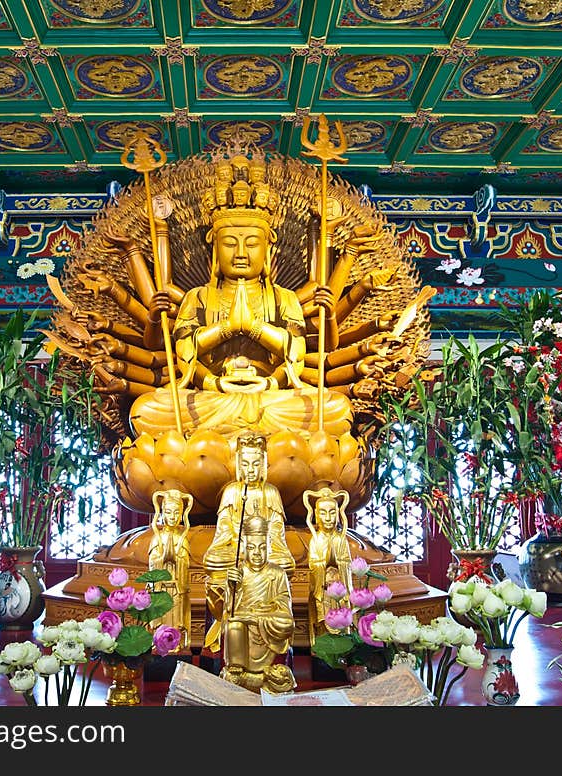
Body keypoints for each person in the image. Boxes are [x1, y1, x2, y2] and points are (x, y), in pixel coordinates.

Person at [128, 151, 353, 439]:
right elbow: (184, 355)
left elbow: (296, 356)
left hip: (272, 398)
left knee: (335, 408)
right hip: (212, 397)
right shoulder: (197, 297)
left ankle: (208, 444)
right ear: (214, 248)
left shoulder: (284, 298)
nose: (241, 253)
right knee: (147, 409)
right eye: (230, 243)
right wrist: (226, 335)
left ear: (267, 249)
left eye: (252, 243)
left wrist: (255, 332)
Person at [203, 431, 295, 652]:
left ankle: (257, 616)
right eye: (245, 464)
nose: (251, 470)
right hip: (236, 549)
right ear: (238, 465)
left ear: (264, 464)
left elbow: (276, 532)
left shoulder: (271, 492)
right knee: (214, 562)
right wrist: (241, 546)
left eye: (256, 464)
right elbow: (224, 530)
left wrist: (262, 548)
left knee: (284, 564)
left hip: (265, 552)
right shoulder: (232, 492)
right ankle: (227, 619)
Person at [206, 514, 296, 694]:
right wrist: (233, 587)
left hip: (268, 619)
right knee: (234, 624)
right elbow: (229, 609)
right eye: (252, 548)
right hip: (243, 619)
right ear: (244, 549)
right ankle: (236, 670)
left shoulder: (277, 573)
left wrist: (269, 608)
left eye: (262, 548)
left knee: (287, 623)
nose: (257, 553)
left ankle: (259, 676)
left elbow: (284, 603)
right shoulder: (238, 572)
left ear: (269, 548)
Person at [304, 487, 353, 646]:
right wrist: (324, 562)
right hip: (323, 589)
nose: (328, 517)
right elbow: (313, 565)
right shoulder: (315, 540)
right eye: (323, 513)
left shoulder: (341, 540)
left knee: (343, 618)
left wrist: (339, 562)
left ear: (338, 515)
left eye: (332, 512)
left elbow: (346, 562)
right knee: (324, 621)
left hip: (340, 588)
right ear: (316, 516)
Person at [147, 488, 192, 650]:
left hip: (176, 589)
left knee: (175, 615)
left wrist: (178, 560)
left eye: (176, 513)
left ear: (181, 515)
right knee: (161, 612)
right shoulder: (157, 538)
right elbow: (153, 562)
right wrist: (162, 559)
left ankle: (175, 643)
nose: (172, 517)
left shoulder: (182, 540)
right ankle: (158, 642)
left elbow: (185, 563)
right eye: (168, 512)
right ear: (162, 514)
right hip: (161, 588)